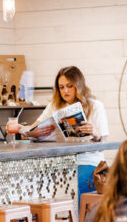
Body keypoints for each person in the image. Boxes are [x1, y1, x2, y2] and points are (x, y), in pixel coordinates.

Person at [18, 66, 109, 202]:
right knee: (33, 183)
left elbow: (104, 144)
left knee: (77, 184)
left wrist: (96, 134)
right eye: (61, 87)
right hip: (61, 163)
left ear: (78, 85)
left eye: (69, 86)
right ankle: (47, 221)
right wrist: (23, 129)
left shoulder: (95, 106)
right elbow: (34, 126)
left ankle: (78, 221)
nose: (65, 91)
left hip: (88, 162)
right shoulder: (55, 106)